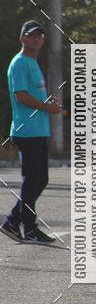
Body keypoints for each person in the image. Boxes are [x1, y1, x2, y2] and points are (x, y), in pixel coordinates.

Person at [1, 21, 62, 244]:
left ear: (43, 40)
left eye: (39, 35)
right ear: (22, 39)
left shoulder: (32, 63)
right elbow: (21, 96)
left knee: (40, 180)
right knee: (32, 180)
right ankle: (29, 228)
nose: (35, 39)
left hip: (38, 130)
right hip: (27, 131)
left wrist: (48, 103)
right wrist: (49, 107)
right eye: (31, 35)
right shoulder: (19, 63)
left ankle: (12, 221)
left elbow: (31, 95)